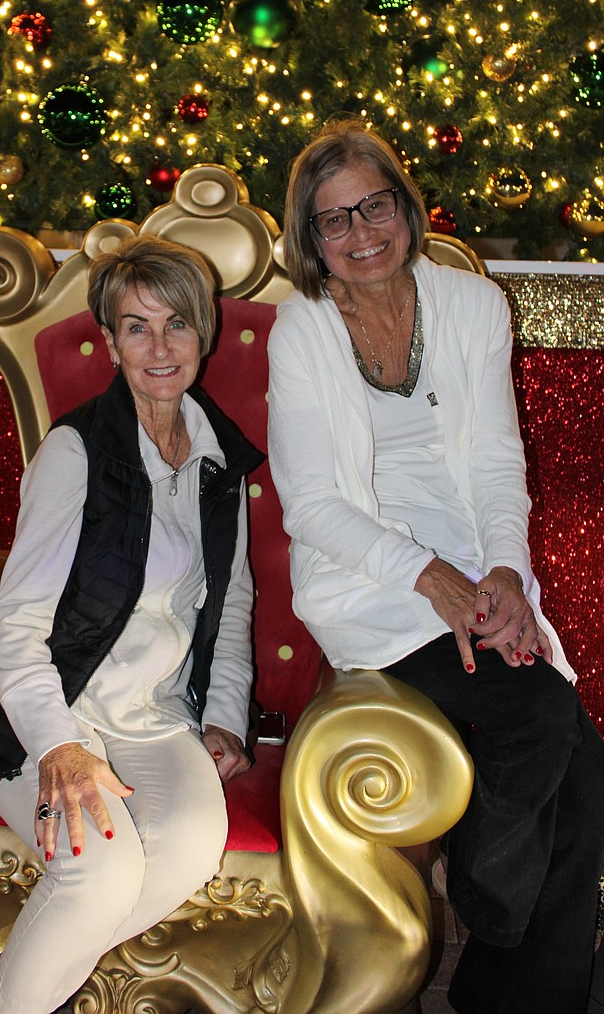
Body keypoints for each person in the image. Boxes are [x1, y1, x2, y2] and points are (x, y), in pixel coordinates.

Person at [266, 119, 604, 1014]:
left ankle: (513, 993)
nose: (361, 230)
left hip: (475, 564)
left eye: (374, 204)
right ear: (311, 241)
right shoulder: (300, 331)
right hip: (370, 581)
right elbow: (312, 505)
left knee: (587, 772)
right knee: (537, 712)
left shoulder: (472, 306)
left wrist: (501, 572)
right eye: (334, 219)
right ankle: (488, 903)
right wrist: (435, 578)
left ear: (405, 207)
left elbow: (498, 462)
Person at [0, 234, 261, 1014]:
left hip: (156, 721)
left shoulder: (218, 460)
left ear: (204, 334)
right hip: (47, 716)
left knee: (185, 849)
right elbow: (16, 627)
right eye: (136, 326)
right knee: (100, 872)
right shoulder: (75, 452)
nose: (160, 345)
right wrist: (60, 747)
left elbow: (231, 601)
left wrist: (224, 718)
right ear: (109, 341)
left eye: (178, 323)